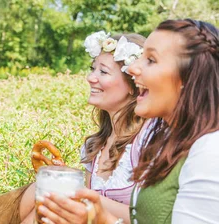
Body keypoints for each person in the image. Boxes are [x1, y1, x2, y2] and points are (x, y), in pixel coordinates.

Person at [38, 19, 219, 224]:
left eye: (150, 60)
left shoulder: (210, 152)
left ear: (187, 78)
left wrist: (101, 220)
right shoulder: (168, 143)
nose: (132, 69)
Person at [18, 32, 147, 224]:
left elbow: (151, 218)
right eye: (92, 69)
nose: (90, 78)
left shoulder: (148, 141)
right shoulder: (94, 146)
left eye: (103, 72)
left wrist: (80, 195)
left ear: (133, 84)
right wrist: (67, 183)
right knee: (41, 201)